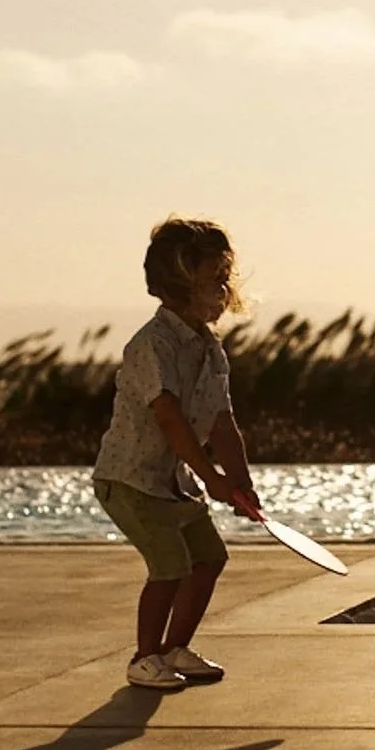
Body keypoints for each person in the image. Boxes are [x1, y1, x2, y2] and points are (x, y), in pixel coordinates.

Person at [93, 218, 259, 689]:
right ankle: (144, 658)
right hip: (130, 480)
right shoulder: (153, 345)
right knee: (169, 566)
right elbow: (171, 420)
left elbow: (222, 422)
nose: (224, 291)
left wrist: (240, 481)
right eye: (214, 281)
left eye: (225, 279)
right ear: (180, 285)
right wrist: (211, 477)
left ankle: (175, 650)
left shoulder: (210, 349)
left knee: (209, 557)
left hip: (170, 483)